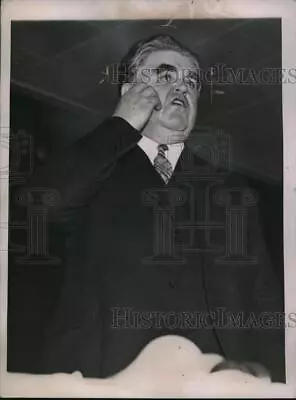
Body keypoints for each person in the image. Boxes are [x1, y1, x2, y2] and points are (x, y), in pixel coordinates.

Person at [24, 35, 284, 381]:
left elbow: (264, 296)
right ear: (129, 90)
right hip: (101, 377)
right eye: (165, 76)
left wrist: (278, 377)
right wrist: (120, 126)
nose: (182, 88)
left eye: (191, 82)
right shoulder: (95, 167)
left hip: (214, 382)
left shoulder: (232, 190)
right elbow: (36, 208)